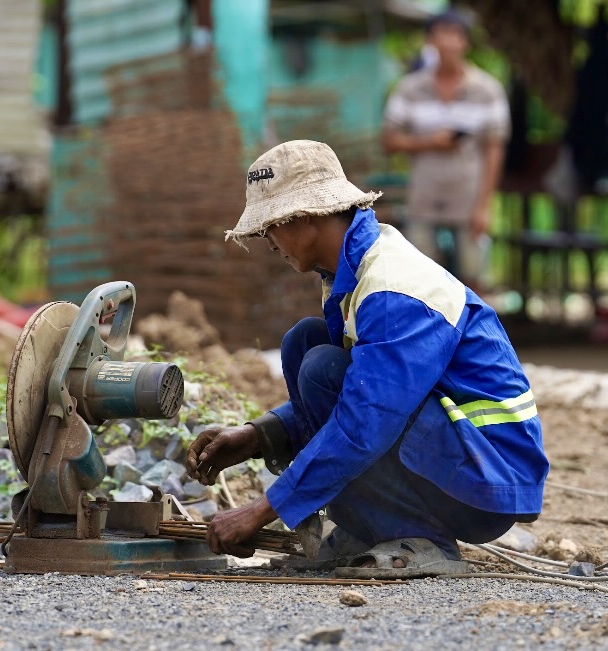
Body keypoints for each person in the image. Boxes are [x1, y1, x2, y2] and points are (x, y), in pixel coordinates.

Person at [186, 139, 548, 577]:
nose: (268, 242)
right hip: (459, 455)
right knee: (306, 344)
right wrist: (259, 434)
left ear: (308, 217)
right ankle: (375, 529)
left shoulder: (393, 288)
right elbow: (367, 388)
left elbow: (365, 421)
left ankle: (420, 539)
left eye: (271, 226)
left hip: (488, 475)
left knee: (321, 367)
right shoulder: (354, 274)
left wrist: (263, 509)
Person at [382, 9, 509, 291]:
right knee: (420, 280)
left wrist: (485, 206)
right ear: (430, 41)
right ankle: (432, 336)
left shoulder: (488, 90)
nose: (450, 43)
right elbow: (388, 141)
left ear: (466, 42)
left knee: (474, 279)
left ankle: (472, 335)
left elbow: (494, 149)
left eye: (456, 35)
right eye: (443, 34)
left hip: (469, 198)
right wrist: (430, 142)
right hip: (423, 199)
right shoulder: (409, 89)